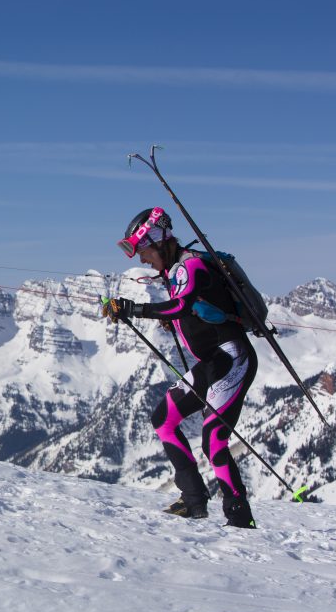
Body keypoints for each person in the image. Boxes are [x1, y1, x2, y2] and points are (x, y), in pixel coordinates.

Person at [102, 207, 258, 529]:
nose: (142, 260)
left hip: (232, 359)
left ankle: (240, 518)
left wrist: (134, 308)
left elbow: (181, 305)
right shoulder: (176, 271)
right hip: (213, 362)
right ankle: (193, 501)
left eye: (143, 251)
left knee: (214, 439)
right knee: (164, 418)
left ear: (159, 240)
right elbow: (189, 310)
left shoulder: (193, 265)